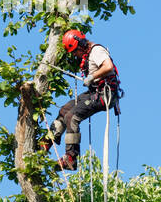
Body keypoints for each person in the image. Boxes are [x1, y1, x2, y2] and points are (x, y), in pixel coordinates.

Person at [43, 29, 121, 170]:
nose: (74, 55)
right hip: (95, 91)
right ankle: (47, 142)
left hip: (106, 94)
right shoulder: (86, 54)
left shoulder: (97, 51)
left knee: (72, 116)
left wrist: (92, 77)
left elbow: (108, 66)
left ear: (81, 44)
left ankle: (71, 158)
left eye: (74, 52)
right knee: (65, 110)